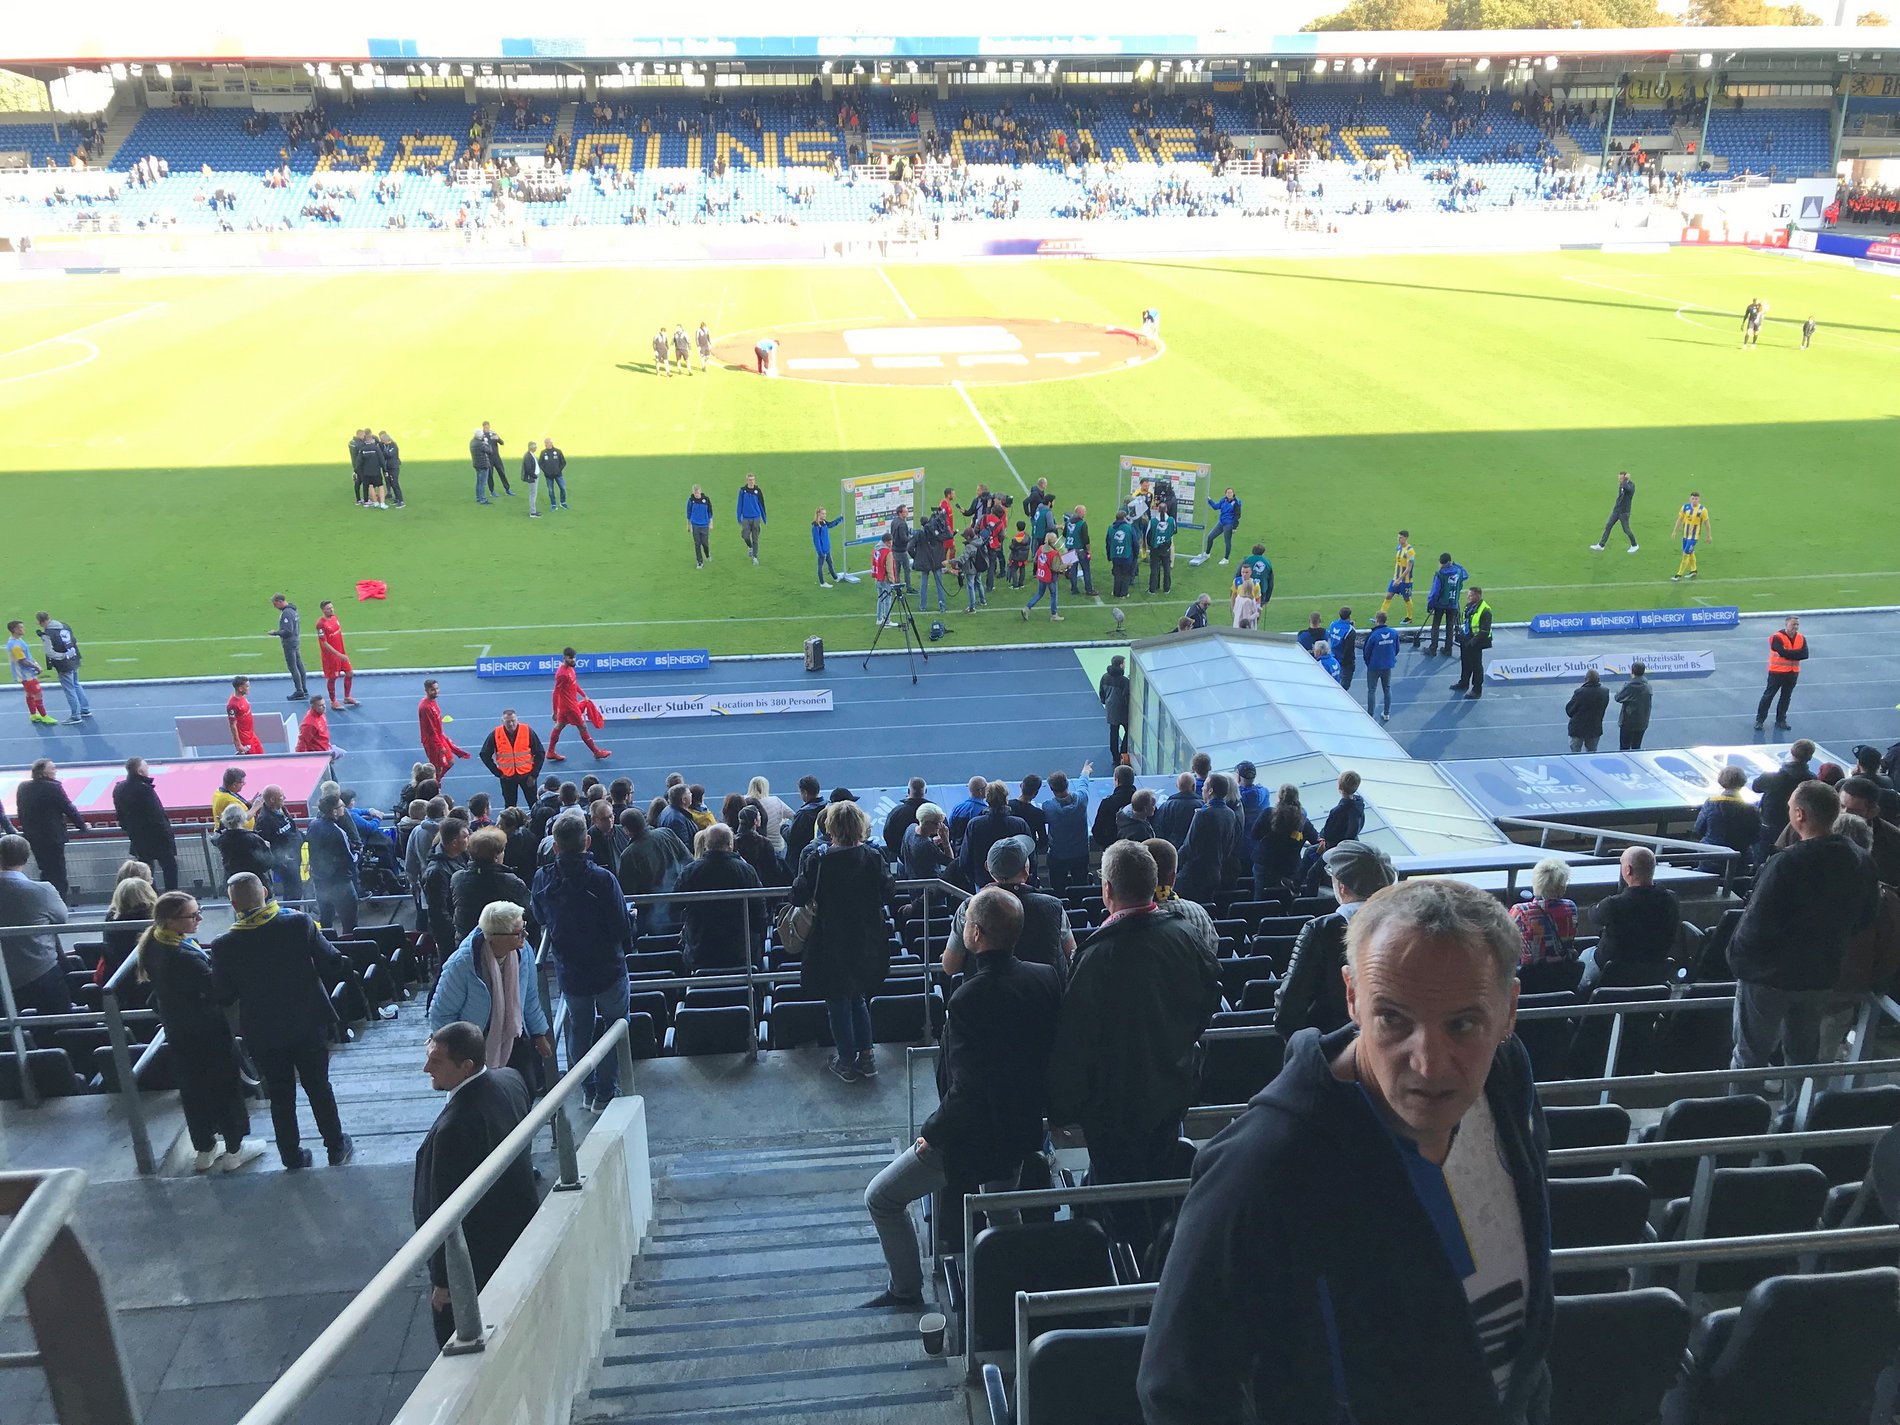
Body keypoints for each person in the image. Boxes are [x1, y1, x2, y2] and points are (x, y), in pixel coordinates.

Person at [1140, 878, 1551, 1424]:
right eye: (1394, 1018)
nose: (1429, 1063)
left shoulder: (1507, 1083)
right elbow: (1179, 1390)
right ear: (1352, 998)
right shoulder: (1261, 1166)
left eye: (1463, 1024)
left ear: (1508, 1012)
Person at [861, 884, 1063, 1310]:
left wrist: (932, 1133)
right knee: (1001, 1209)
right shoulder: (1045, 977)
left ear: (974, 935)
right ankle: (1013, 1292)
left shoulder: (968, 996)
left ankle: (905, 1289)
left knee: (881, 1197)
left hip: (972, 1136)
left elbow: (968, 1087)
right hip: (1021, 1128)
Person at [1048, 842, 1221, 1197]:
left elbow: (1077, 1040)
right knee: (1160, 1182)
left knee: (1118, 1196)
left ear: (1107, 889)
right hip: (1172, 1088)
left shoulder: (1095, 955)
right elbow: (1208, 1000)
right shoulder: (1186, 935)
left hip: (1114, 1106)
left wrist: (1063, 1106)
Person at [1728, 781, 1878, 1091]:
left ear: (1799, 814)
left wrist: (1737, 959)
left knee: (1750, 1056)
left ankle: (1740, 1125)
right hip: (1819, 976)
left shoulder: (1787, 862)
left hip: (1768, 978)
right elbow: (1865, 918)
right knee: (1803, 1058)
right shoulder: (1861, 860)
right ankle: (1799, 1125)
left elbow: (1756, 924)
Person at [210, 874, 354, 1169]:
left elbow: (224, 995)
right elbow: (332, 960)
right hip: (308, 1022)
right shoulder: (297, 923)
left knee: (280, 1094)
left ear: (233, 904)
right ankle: (336, 1146)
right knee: (319, 1087)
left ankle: (291, 1155)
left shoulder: (223, 945)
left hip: (262, 1031)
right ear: (264, 892)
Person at [414, 1021, 539, 1346]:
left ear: (466, 1066)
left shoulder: (454, 1129)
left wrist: (443, 1281)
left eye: (436, 1062)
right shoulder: (511, 1080)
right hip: (517, 1229)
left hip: (479, 1255)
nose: (427, 1068)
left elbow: (445, 1209)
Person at [138, 892, 264, 1173]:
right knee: (226, 1087)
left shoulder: (155, 943)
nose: (200, 918)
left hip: (178, 1030)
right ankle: (235, 1149)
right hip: (207, 1032)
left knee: (193, 1091)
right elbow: (218, 990)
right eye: (192, 915)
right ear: (171, 921)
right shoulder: (184, 957)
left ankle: (205, 1149)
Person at [532, 813, 636, 1111]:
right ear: (587, 841)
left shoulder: (542, 878)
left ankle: (588, 1089)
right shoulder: (603, 879)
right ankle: (606, 1091)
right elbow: (621, 926)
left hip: (571, 970)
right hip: (608, 968)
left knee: (579, 1028)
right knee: (616, 1026)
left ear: (554, 847)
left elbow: (539, 916)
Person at [790, 801, 894, 1082]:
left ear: (830, 827)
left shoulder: (819, 859)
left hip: (831, 940)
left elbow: (798, 895)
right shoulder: (873, 856)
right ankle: (867, 1056)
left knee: (837, 1000)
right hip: (865, 937)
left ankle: (846, 1060)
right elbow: (888, 892)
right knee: (858, 996)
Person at [1275, 840, 1398, 1039]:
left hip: (1332, 1044)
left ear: (1341, 887)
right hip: (1388, 1040)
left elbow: (1289, 1008)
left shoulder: (1322, 929)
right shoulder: (1405, 925)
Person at [429, 903, 554, 1084]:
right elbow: (441, 1014)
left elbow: (529, 997)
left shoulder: (523, 951)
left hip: (514, 1036)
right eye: (518, 932)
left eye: (524, 928)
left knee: (527, 1089)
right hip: (476, 1049)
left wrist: (539, 1034)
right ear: (496, 937)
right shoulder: (463, 964)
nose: (525, 936)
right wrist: (458, 1054)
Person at [946, 835, 1075, 980]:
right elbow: (1072, 955)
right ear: (1026, 871)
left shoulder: (969, 907)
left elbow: (950, 966)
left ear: (988, 868)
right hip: (1043, 997)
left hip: (985, 996)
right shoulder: (1054, 906)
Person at [1583, 846, 1679, 990]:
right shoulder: (1670, 899)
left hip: (1612, 972)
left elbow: (1593, 914)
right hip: (1652, 971)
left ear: (1628, 870)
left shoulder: (1613, 905)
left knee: (1584, 956)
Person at [675, 824, 765, 970]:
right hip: (741, 952)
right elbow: (760, 911)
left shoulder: (691, 871)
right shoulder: (746, 870)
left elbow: (675, 904)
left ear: (706, 845)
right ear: (730, 844)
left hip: (700, 951)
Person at [0, 835, 73, 1016]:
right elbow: (61, 919)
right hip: (42, 973)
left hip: (5, 977)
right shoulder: (43, 890)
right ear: (26, 858)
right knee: (61, 1021)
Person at [15, 759, 85, 900]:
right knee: (58, 874)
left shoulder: (23, 787)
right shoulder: (53, 788)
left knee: (45, 871)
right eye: (52, 768)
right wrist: (82, 826)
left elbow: (21, 812)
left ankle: (46, 902)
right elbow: (68, 808)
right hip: (53, 838)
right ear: (43, 772)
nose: (55, 771)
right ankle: (60, 904)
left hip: (34, 838)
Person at [452, 827, 532, 945]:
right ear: (496, 856)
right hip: (501, 944)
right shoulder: (511, 882)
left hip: (466, 942)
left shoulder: (458, 878)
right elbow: (529, 912)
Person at [1175, 773, 1241, 906]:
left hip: (1193, 876)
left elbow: (1189, 847)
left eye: (1205, 786)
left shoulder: (1202, 814)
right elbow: (1230, 845)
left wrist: (1174, 866)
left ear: (1210, 791)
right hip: (1214, 874)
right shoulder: (1230, 814)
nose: (1202, 789)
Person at [113, 757, 178, 891]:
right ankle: (172, 898)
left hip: (137, 838)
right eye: (146, 766)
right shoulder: (145, 790)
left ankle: (150, 897)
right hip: (157, 838)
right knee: (170, 867)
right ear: (139, 771)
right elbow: (157, 815)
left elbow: (120, 815)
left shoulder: (119, 789)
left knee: (145, 871)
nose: (148, 768)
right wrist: (167, 834)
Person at [306, 792, 363, 937]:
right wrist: (358, 853)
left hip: (320, 882)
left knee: (325, 920)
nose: (344, 808)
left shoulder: (312, 825)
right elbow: (350, 859)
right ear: (334, 811)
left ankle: (326, 947)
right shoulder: (338, 831)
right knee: (350, 924)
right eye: (341, 806)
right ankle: (348, 949)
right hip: (341, 883)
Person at [959, 783, 1030, 891]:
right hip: (1016, 883)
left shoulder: (975, 825)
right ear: (1006, 799)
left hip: (983, 882)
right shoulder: (1019, 824)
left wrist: (976, 879)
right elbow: (1030, 855)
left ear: (987, 799)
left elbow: (965, 859)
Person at [1251, 784, 1318, 898]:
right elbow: (1315, 841)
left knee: (1260, 898)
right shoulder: (1303, 821)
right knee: (1285, 898)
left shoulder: (1268, 813)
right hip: (1290, 867)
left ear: (1279, 797)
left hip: (1265, 864)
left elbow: (1254, 834)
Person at [1754, 738, 1817, 856]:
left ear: (1792, 752)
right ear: (1809, 758)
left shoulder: (1772, 777)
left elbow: (1756, 787)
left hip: (1770, 823)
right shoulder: (1812, 780)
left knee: (1761, 857)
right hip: (1795, 825)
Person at [1509, 858, 1579, 965]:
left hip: (1529, 975)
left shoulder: (1520, 911)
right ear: (1562, 886)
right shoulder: (1570, 907)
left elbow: (1504, 940)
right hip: (1563, 972)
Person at [1695, 766, 1762, 876]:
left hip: (1710, 859)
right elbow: (1755, 837)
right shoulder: (1751, 809)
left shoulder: (1710, 803)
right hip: (1739, 860)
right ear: (1742, 782)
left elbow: (1698, 829)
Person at [548, 647, 610, 762]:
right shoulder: (562, 674)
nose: (573, 660)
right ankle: (596, 752)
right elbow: (555, 692)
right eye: (571, 658)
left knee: (559, 726)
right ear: (565, 658)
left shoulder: (571, 669)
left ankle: (550, 751)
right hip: (569, 707)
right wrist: (555, 711)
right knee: (583, 727)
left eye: (574, 657)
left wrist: (583, 694)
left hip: (568, 705)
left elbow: (574, 684)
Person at [423, 819, 472, 959]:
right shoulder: (437, 872)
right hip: (451, 936)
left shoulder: (460, 855)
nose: (469, 839)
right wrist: (456, 932)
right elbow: (438, 910)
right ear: (454, 842)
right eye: (465, 837)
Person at [1841, 776, 1900, 888]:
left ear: (1873, 811)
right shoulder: (1823, 824)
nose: (1843, 814)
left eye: (1853, 812)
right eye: (1841, 806)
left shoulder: (1893, 842)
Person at [481, 709, 546, 810]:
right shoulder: (496, 734)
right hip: (507, 778)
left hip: (527, 776)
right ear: (502, 722)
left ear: (517, 720)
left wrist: (534, 775)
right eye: (508, 722)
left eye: (513, 721)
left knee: (534, 804)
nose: (511, 724)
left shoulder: (527, 731)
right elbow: (484, 754)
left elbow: (540, 753)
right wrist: (498, 773)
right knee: (510, 806)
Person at [35, 611, 90, 723]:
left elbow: (50, 653)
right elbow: (74, 640)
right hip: (75, 658)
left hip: (64, 664)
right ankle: (85, 709)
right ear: (49, 617)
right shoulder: (64, 625)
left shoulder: (47, 634)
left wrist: (63, 656)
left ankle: (75, 715)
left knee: (69, 689)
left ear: (40, 622)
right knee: (76, 684)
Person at [1754, 615, 1807, 732]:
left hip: (1792, 673)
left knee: (1786, 697)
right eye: (1793, 624)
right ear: (1786, 624)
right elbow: (1781, 652)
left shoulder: (1801, 638)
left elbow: (1805, 655)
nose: (1796, 627)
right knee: (1769, 696)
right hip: (1777, 672)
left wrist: (1789, 653)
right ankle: (1760, 720)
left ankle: (1781, 720)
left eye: (1797, 624)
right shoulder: (1777, 637)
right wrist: (1794, 654)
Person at [418, 679, 472, 780]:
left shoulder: (432, 702)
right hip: (432, 742)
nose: (436, 691)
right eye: (432, 690)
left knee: (449, 762)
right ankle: (433, 785)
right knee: (438, 767)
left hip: (438, 737)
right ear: (426, 690)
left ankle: (434, 781)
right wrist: (439, 746)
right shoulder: (425, 707)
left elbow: (436, 726)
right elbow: (430, 730)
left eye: (437, 688)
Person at [252, 784, 302, 894]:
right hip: (285, 861)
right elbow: (262, 845)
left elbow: (292, 829)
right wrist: (279, 861)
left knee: (297, 888)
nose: (284, 799)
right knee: (293, 890)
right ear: (272, 799)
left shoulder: (281, 810)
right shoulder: (264, 820)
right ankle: (292, 910)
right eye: (281, 797)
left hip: (294, 855)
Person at [5, 619, 55, 726]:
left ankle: (33, 714)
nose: (23, 629)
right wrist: (36, 667)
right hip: (26, 674)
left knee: (29, 693)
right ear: (14, 630)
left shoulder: (17, 640)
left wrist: (35, 663)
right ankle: (44, 716)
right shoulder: (15, 645)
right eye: (20, 628)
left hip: (25, 673)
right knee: (38, 694)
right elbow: (22, 661)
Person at [1450, 585, 1493, 700]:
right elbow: (1467, 623)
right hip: (1467, 639)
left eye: (1471, 595)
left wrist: (1472, 642)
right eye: (1468, 595)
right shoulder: (1469, 606)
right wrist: (1461, 635)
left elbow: (1484, 631)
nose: (1468, 597)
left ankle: (1476, 689)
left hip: (1477, 641)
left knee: (1476, 665)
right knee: (1465, 662)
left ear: (1478, 595)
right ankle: (1464, 682)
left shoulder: (1485, 610)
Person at [1420, 554, 1468, 657]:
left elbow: (1435, 592)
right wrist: (1458, 565)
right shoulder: (1458, 572)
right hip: (1453, 603)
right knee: (1450, 626)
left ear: (1442, 563)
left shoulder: (1440, 574)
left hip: (1440, 604)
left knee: (1436, 625)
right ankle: (1448, 649)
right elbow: (1466, 575)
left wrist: (1430, 604)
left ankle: (1433, 649)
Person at [900, 803, 956, 883]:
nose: (939, 827)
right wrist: (945, 841)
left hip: (913, 880)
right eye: (936, 823)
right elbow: (950, 862)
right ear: (926, 823)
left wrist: (932, 841)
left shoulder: (911, 828)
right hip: (929, 886)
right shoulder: (926, 845)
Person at [1361, 611, 1400, 723]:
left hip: (1374, 666)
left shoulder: (1374, 635)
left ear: (1377, 620)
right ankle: (1387, 713)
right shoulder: (1393, 633)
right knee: (1387, 688)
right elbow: (1396, 649)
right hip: (1387, 666)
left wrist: (1368, 662)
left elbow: (1366, 651)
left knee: (1371, 690)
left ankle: (1370, 715)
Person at [269, 595, 309, 700]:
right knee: (299, 665)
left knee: (293, 666)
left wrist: (275, 633)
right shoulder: (293, 610)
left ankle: (299, 690)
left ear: (280, 601)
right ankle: (304, 689)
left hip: (289, 643)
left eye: (275, 604)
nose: (275, 606)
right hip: (295, 640)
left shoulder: (286, 613)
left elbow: (287, 631)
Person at [910, 507, 949, 612]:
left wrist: (916, 556)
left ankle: (922, 607)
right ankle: (942, 606)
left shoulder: (918, 534)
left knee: (923, 585)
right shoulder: (936, 532)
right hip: (936, 561)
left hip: (924, 563)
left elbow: (910, 548)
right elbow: (946, 537)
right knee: (939, 585)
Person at [1096, 655, 1132, 768]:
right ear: (1121, 665)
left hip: (1111, 710)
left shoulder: (1105, 677)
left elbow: (1101, 693)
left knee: (1113, 733)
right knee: (1129, 731)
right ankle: (1123, 752)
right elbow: (1126, 696)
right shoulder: (1124, 681)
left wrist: (1106, 702)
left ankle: (1115, 757)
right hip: (1123, 711)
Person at [1591, 471, 1639, 553]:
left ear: (1625, 478)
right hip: (1617, 510)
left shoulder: (1631, 485)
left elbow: (1627, 488)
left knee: (1626, 530)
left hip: (1624, 512)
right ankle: (1601, 545)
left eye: (1621, 478)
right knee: (1608, 525)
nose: (1619, 480)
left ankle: (1634, 545)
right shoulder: (1622, 484)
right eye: (1619, 478)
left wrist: (1626, 479)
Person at [1020, 532, 1063, 622]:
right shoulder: (1053, 553)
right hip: (1050, 577)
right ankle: (1054, 615)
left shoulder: (1040, 548)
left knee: (1039, 593)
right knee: (1053, 595)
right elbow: (1056, 568)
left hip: (1041, 575)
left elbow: (1035, 560)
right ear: (1053, 541)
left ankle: (1027, 608)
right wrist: (1066, 565)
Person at [1670, 490, 1712, 582]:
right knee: (1690, 552)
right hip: (1685, 536)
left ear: (1699, 499)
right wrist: (1674, 531)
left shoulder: (1703, 510)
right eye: (1693, 499)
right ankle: (1694, 570)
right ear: (1690, 499)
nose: (1694, 501)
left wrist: (1709, 536)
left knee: (1685, 554)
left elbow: (1707, 524)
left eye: (1696, 499)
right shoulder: (1685, 507)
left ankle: (1678, 575)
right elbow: (1679, 519)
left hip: (1694, 537)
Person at [1565, 668, 1609, 752]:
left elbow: (1570, 710)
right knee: (1592, 752)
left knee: (1575, 752)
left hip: (1578, 729)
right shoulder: (1605, 692)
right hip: (1595, 728)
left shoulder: (1579, 692)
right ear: (1598, 680)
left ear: (1585, 679)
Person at [1153, 774, 1201, 849]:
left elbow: (1158, 829)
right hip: (1196, 851)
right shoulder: (1202, 806)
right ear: (1194, 786)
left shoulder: (1166, 806)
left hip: (1172, 850)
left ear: (1177, 786)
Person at [1378, 530, 1416, 623]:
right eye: (1398, 537)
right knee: (1388, 595)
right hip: (1396, 578)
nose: (1398, 539)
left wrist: (1399, 580)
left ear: (1406, 538)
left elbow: (1408, 568)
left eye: (1400, 538)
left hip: (1405, 580)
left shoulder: (1410, 551)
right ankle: (1381, 616)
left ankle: (1409, 618)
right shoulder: (1399, 547)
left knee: (1406, 598)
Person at [1196, 487, 1241, 564]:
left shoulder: (1236, 502)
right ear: (1225, 494)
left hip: (1229, 524)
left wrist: (1234, 527)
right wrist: (1209, 500)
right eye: (1228, 493)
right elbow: (1216, 507)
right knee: (1210, 537)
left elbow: (1237, 515)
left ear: (1233, 493)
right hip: (1221, 522)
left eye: (1230, 492)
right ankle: (1207, 554)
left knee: (1227, 541)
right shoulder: (1223, 500)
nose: (1229, 494)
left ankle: (1226, 559)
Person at [1614, 660, 1652, 751]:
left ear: (1632, 671)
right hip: (1642, 721)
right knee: (1636, 747)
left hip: (1628, 722)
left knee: (1624, 748)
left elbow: (1618, 697)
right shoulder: (1648, 686)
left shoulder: (1629, 686)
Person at [226, 675, 264, 755]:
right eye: (247, 686)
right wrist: (238, 744)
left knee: (261, 755)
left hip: (251, 734)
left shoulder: (242, 696)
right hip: (245, 738)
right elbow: (232, 725)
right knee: (252, 761)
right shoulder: (232, 705)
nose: (249, 688)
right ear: (240, 688)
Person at [1145, 501, 1177, 594]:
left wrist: (1151, 545)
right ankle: (1166, 588)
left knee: (1154, 569)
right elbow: (1173, 531)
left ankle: (1153, 589)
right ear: (1166, 510)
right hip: (1166, 548)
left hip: (1155, 548)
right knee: (1166, 568)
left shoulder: (1153, 521)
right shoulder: (1171, 520)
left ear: (1158, 510)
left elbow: (1148, 535)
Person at [1106, 510, 1138, 598]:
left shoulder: (1111, 528)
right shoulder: (1129, 528)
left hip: (1115, 555)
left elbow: (1108, 543)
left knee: (1117, 574)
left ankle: (1116, 592)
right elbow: (1135, 542)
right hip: (1127, 555)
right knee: (1126, 574)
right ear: (1124, 518)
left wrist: (1109, 555)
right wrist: (1136, 554)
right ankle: (1124, 592)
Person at [737, 474, 767, 565]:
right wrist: (738, 516)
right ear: (747, 481)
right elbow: (739, 504)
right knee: (745, 535)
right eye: (750, 480)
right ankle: (750, 547)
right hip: (746, 517)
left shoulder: (758, 491)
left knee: (755, 538)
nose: (752, 481)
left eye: (753, 479)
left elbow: (761, 504)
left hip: (756, 517)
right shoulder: (743, 491)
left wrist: (764, 517)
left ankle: (755, 557)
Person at [811, 507, 843, 588]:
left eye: (825, 513)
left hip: (827, 548)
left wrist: (839, 518)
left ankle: (836, 578)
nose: (825, 515)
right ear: (818, 514)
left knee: (830, 564)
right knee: (820, 566)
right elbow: (816, 540)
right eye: (823, 513)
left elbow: (831, 524)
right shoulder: (815, 526)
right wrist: (820, 552)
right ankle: (822, 583)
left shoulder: (824, 522)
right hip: (822, 551)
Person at [871, 531, 898, 626]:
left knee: (880, 599)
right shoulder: (887, 552)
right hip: (885, 579)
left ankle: (879, 619)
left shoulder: (876, 549)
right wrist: (892, 581)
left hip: (877, 578)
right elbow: (889, 568)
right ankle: (887, 621)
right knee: (887, 601)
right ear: (887, 542)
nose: (891, 544)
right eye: (890, 542)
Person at [686, 484, 713, 567]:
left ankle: (707, 554)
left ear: (700, 491)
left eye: (697, 493)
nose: (696, 495)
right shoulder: (691, 501)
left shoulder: (706, 500)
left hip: (704, 524)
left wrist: (711, 523)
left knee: (705, 543)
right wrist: (688, 525)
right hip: (695, 525)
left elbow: (710, 512)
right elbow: (688, 514)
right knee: (697, 543)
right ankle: (699, 562)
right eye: (695, 493)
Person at [539, 437, 568, 510]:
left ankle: (563, 502)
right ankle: (553, 504)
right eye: (545, 443)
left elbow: (563, 462)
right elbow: (540, 463)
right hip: (548, 476)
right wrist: (545, 471)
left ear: (551, 443)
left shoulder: (558, 451)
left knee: (563, 488)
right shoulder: (543, 452)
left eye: (547, 443)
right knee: (551, 490)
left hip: (558, 475)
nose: (546, 444)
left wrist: (558, 470)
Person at [378, 431, 405, 509]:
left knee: (395, 483)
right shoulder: (386, 445)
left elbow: (389, 454)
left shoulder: (393, 445)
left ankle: (401, 501)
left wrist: (382, 453)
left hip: (394, 468)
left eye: (382, 440)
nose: (381, 442)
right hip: (388, 468)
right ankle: (397, 499)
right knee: (391, 483)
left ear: (386, 440)